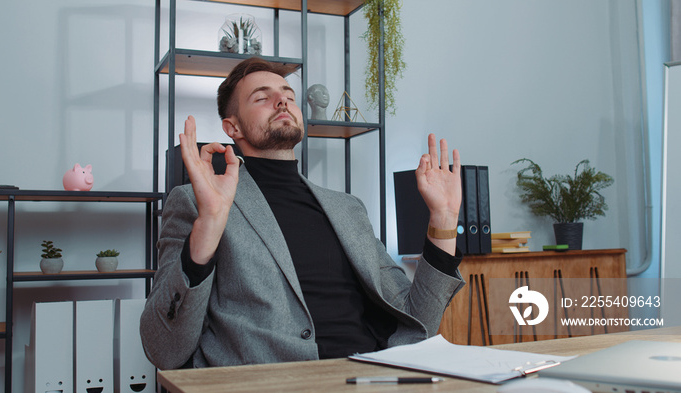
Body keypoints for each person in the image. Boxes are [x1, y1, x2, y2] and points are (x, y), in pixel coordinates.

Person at [140, 57, 465, 370]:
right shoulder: (197, 202)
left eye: (288, 96)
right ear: (232, 127)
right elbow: (163, 347)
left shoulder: (348, 208)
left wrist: (444, 219)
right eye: (262, 97)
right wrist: (209, 223)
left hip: (371, 377)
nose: (281, 102)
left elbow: (417, 323)